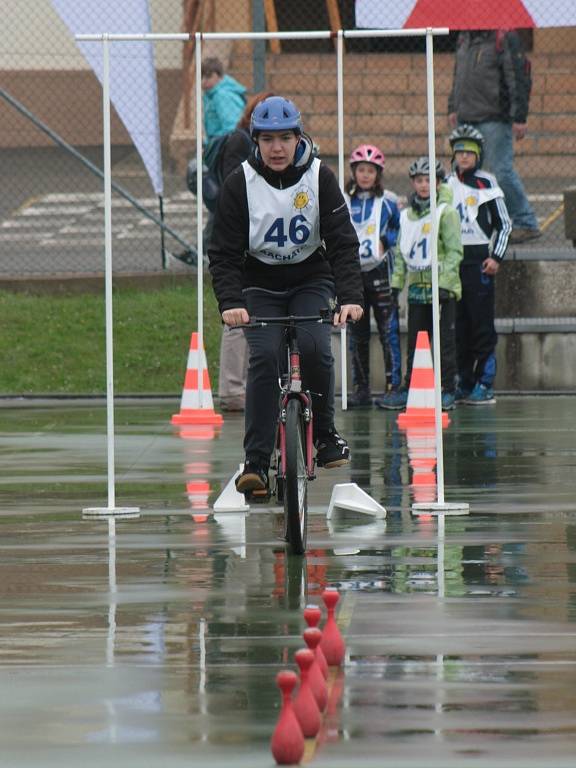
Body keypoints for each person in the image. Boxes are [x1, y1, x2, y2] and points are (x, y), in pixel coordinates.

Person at [208, 96, 364, 497]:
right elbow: (223, 253)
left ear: (298, 138)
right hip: (259, 283)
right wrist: (231, 303)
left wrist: (349, 296)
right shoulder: (239, 182)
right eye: (267, 139)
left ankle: (325, 435)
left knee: (315, 348)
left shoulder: (319, 178)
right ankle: (256, 461)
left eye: (285, 138)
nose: (277, 148)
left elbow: (343, 242)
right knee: (262, 358)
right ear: (255, 141)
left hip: (311, 278)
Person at [383, 157, 463, 411]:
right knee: (416, 342)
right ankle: (410, 387)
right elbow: (400, 254)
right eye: (419, 180)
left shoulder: (446, 212)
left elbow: (454, 252)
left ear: (439, 183)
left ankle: (448, 388)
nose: (424, 185)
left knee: (445, 342)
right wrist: (396, 286)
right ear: (413, 183)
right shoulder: (406, 216)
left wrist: (445, 285)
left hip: (442, 292)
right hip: (417, 291)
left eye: (429, 180)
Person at [447, 29, 540, 244]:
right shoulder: (464, 38)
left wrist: (519, 116)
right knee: (462, 173)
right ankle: (471, 222)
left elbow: (517, 76)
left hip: (495, 118)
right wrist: (453, 106)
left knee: (501, 172)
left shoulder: (504, 38)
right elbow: (458, 75)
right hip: (466, 117)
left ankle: (525, 221)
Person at [216, 92, 274, 412]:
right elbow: (233, 189)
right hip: (242, 237)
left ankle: (252, 384)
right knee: (237, 317)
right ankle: (232, 388)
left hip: (263, 239)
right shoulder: (240, 145)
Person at [446, 124, 512, 405]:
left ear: (478, 155)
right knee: (459, 326)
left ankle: (485, 382)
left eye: (469, 153)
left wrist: (495, 257)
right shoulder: (446, 184)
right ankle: (465, 381)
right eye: (459, 152)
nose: (463, 157)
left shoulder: (488, 184)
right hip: (454, 264)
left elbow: (504, 225)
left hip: (479, 264)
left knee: (481, 325)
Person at [343, 144, 402, 409]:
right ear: (354, 172)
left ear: (378, 174)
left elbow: (400, 228)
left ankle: (393, 386)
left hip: (380, 272)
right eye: (361, 170)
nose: (365, 176)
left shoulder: (388, 201)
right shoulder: (344, 199)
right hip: (354, 274)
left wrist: (385, 240)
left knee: (388, 330)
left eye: (371, 171)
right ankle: (361, 388)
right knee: (358, 333)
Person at [201, 57, 246, 142]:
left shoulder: (222, 95)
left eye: (208, 77)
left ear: (218, 76)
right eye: (201, 77)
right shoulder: (211, 95)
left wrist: (212, 145)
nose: (203, 81)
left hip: (226, 145)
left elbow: (231, 128)